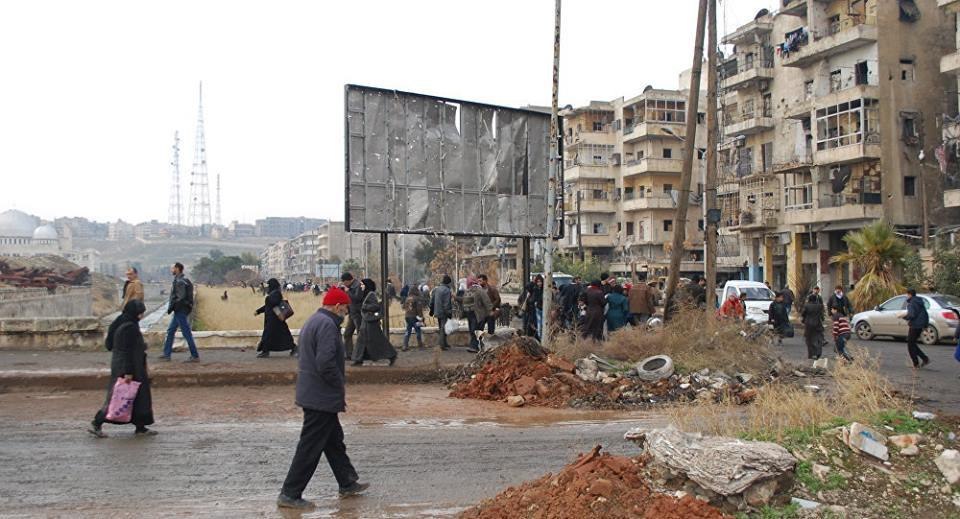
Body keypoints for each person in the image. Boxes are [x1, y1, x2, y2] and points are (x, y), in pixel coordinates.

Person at [277, 287, 369, 509]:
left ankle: (347, 482)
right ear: (337, 306)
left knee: (333, 440)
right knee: (310, 446)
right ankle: (290, 493)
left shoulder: (314, 320)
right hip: (321, 396)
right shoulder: (328, 326)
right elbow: (325, 363)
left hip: (313, 393)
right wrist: (339, 384)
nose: (346, 312)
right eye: (345, 308)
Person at [89, 299, 155, 438]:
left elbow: (109, 344)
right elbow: (127, 351)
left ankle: (140, 426)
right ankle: (97, 422)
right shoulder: (129, 327)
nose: (141, 316)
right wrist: (128, 372)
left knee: (134, 397)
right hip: (130, 366)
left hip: (120, 363)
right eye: (140, 313)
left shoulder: (120, 321)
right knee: (119, 397)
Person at [352, 279, 397, 366]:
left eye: (362, 285)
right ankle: (358, 359)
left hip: (370, 324)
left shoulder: (370, 294)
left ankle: (391, 355)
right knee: (362, 341)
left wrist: (364, 307)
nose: (361, 286)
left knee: (378, 341)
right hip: (366, 322)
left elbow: (375, 306)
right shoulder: (366, 294)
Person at [160, 262, 199, 362]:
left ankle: (194, 356)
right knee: (171, 331)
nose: (171, 270)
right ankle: (166, 354)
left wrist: (173, 306)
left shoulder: (180, 281)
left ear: (177, 269)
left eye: (172, 268)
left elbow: (180, 297)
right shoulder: (183, 280)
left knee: (186, 333)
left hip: (180, 310)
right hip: (181, 309)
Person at [255, 278, 297, 358]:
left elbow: (274, 303)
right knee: (277, 335)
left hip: (275, 320)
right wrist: (259, 311)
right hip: (273, 319)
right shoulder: (273, 293)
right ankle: (266, 351)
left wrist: (268, 298)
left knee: (270, 335)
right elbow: (268, 306)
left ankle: (265, 351)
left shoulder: (276, 294)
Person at [903, 289, 931, 369]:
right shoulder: (919, 302)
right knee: (912, 343)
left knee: (910, 345)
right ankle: (924, 359)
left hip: (915, 325)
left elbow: (912, 315)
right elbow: (925, 313)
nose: (906, 296)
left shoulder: (912, 303)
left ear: (910, 295)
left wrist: (904, 317)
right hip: (920, 325)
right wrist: (925, 325)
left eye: (907, 295)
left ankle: (916, 363)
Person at [340, 273, 364, 359]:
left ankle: (361, 354)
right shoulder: (350, 287)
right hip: (352, 314)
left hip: (358, 314)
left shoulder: (359, 285)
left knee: (360, 335)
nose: (344, 284)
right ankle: (349, 354)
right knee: (347, 334)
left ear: (347, 280)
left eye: (344, 282)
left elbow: (358, 298)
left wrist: (347, 292)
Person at [467, 279, 492, 353]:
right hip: (479, 314)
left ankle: (475, 346)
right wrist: (490, 310)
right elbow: (487, 302)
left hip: (469, 313)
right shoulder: (481, 291)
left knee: (472, 330)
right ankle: (476, 346)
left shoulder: (468, 290)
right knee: (478, 329)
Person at [430, 275, 453, 350]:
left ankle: (444, 343)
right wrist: (449, 313)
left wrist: (431, 310)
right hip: (444, 312)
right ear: (448, 283)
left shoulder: (436, 289)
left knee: (441, 328)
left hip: (437, 311)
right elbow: (447, 303)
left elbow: (432, 301)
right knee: (443, 329)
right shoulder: (447, 290)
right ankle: (442, 345)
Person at [801, 294, 825, 360]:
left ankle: (811, 354)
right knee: (818, 339)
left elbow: (803, 314)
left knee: (809, 340)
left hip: (808, 324)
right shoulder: (820, 306)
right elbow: (822, 315)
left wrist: (803, 319)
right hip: (818, 324)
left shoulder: (806, 306)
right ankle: (818, 352)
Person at [520, 275, 544, 340]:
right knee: (532, 328)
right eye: (538, 282)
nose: (539, 283)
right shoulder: (534, 289)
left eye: (540, 281)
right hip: (533, 312)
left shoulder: (543, 290)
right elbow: (527, 286)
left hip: (539, 311)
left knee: (538, 328)